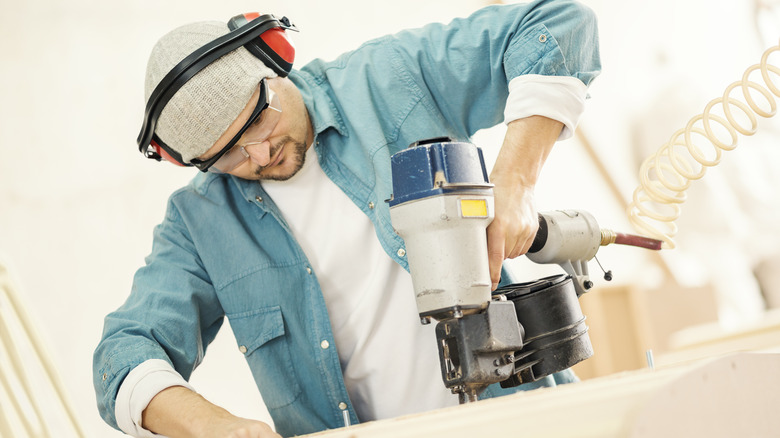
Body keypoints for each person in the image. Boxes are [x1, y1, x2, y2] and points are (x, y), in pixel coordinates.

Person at [93, 0, 601, 437]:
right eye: (230, 155)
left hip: (518, 421)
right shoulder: (199, 223)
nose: (261, 152)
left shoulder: (387, 81)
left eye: (258, 118)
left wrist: (516, 184)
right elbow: (123, 355)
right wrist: (212, 425)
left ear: (275, 58)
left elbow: (557, 22)